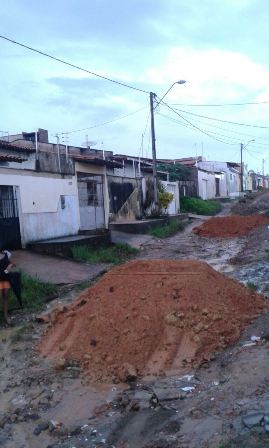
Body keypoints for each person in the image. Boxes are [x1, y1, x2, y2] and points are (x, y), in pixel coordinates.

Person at [0, 250, 13, 324]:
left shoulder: (7, 253)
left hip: (5, 279)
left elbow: (11, 263)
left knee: (6, 297)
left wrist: (10, 266)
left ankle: (5, 316)